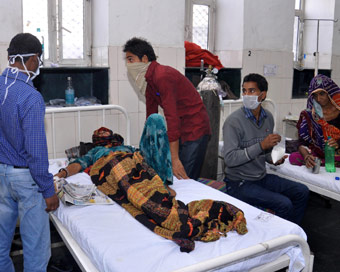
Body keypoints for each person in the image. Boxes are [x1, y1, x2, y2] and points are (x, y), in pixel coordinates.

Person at [55, 115, 247, 253]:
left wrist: (141, 161)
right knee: (132, 183)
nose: (104, 133)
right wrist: (62, 173)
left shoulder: (128, 147)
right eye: (100, 134)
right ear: (96, 141)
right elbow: (78, 165)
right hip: (114, 167)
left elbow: (146, 156)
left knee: (155, 119)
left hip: (137, 161)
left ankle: (160, 182)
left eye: (107, 132)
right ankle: (159, 193)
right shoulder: (94, 153)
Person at [0, 33, 59, 272]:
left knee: (2, 246)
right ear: (33, 59)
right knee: (36, 252)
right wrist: (48, 190)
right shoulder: (31, 97)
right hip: (26, 179)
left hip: (2, 176)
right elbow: (36, 151)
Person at [222, 73, 309, 225]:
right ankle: (279, 244)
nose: (246, 95)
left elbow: (265, 152)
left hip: (261, 177)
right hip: (239, 182)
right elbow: (230, 159)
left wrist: (274, 159)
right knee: (284, 204)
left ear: (263, 94)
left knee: (302, 191)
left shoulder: (268, 117)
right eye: (244, 90)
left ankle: (293, 234)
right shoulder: (233, 122)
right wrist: (261, 145)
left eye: (252, 91)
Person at [123, 37, 211, 180]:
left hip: (194, 130)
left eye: (131, 59)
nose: (128, 65)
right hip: (181, 130)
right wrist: (146, 149)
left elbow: (172, 117)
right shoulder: (149, 80)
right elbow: (151, 118)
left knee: (184, 179)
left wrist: (175, 159)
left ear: (144, 59)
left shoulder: (162, 76)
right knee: (173, 178)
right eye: (127, 60)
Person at [289, 74, 340, 168]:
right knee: (294, 158)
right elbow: (302, 143)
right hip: (318, 154)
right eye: (315, 95)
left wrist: (338, 143)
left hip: (337, 154)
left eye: (322, 94)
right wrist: (307, 157)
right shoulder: (310, 115)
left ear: (330, 92)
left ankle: (322, 163)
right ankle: (319, 162)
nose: (318, 99)